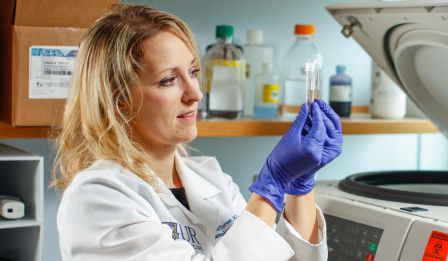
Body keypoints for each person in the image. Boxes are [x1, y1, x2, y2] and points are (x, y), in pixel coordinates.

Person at [51, 4, 342, 260]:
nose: (196, 93)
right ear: (121, 102)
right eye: (168, 80)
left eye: (192, 72)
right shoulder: (97, 199)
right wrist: (271, 185)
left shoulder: (213, 182)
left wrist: (298, 183)